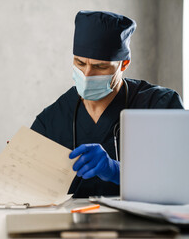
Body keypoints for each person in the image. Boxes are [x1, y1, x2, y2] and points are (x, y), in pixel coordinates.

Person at [31, 11, 184, 198]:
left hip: (143, 224)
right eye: (80, 63)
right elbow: (30, 185)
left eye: (100, 67)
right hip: (72, 224)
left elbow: (181, 177)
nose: (87, 74)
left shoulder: (159, 105)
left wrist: (116, 170)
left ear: (124, 64)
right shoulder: (52, 119)